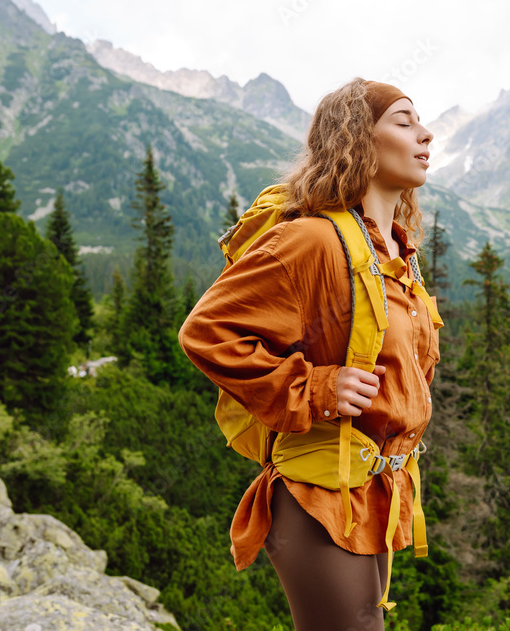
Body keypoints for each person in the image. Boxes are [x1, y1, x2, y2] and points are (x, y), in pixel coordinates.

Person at [178, 77, 440, 630]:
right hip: (316, 497)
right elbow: (207, 330)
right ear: (358, 140)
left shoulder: (396, 252)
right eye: (404, 120)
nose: (426, 134)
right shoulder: (313, 240)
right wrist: (317, 388)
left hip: (368, 495)